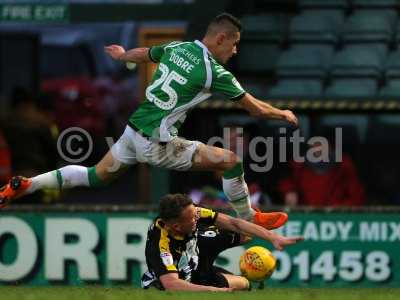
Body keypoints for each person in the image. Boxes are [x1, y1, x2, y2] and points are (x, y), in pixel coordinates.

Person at [0, 13, 298, 230]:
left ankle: (26, 185)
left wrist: (121, 56)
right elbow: (254, 108)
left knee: (95, 176)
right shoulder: (214, 72)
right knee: (230, 161)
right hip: (158, 143)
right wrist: (281, 113)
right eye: (234, 44)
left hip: (133, 131)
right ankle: (249, 218)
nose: (234, 51)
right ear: (221, 38)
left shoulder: (177, 48)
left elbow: (145, 54)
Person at [141, 194, 302, 291]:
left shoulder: (192, 214)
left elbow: (233, 223)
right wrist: (215, 291)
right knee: (244, 284)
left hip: (196, 258)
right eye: (192, 217)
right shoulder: (161, 244)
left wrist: (273, 237)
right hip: (188, 278)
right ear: (176, 226)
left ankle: (254, 220)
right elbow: (172, 285)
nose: (197, 216)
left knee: (241, 235)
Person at [279, 140, 365, 207]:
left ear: (330, 149)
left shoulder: (343, 167)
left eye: (322, 147)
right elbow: (286, 183)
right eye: (314, 148)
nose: (318, 151)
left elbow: (356, 197)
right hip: (306, 215)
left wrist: (339, 209)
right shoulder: (298, 167)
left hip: (336, 218)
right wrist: (289, 191)